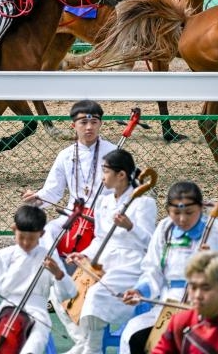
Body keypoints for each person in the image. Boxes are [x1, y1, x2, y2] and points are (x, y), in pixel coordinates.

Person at [120, 181, 218, 354]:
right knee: (133, 334)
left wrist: (215, 263)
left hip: (209, 305)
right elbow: (153, 270)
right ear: (167, 211)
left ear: (201, 208)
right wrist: (140, 292)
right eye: (176, 213)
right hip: (168, 304)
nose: (182, 219)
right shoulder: (165, 228)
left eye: (189, 212)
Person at [63, 149, 156, 354]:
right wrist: (85, 254)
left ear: (121, 175)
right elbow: (100, 238)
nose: (102, 177)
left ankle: (93, 348)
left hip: (130, 263)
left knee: (96, 294)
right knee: (60, 287)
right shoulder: (104, 202)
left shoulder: (144, 203)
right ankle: (83, 342)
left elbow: (150, 243)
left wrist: (131, 226)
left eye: (105, 171)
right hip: (103, 259)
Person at [0, 205, 76, 354]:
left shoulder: (48, 256)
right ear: (14, 229)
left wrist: (59, 274)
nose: (26, 243)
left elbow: (68, 293)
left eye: (32, 239)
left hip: (36, 313)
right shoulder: (3, 255)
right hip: (4, 310)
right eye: (22, 237)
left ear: (41, 234)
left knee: (32, 346)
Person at [21, 100, 117, 243]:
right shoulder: (65, 155)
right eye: (83, 122)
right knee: (47, 234)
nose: (89, 127)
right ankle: (56, 266)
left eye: (94, 122)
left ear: (101, 124)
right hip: (73, 214)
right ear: (74, 125)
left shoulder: (114, 152)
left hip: (105, 215)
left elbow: (128, 189)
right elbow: (53, 190)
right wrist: (37, 198)